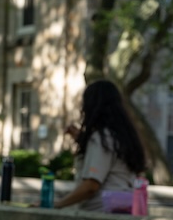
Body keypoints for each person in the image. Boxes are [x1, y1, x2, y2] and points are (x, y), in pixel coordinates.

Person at [54, 79, 146, 211]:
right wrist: (82, 139)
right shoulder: (121, 136)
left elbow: (91, 186)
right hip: (124, 210)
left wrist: (57, 204)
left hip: (101, 214)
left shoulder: (101, 139)